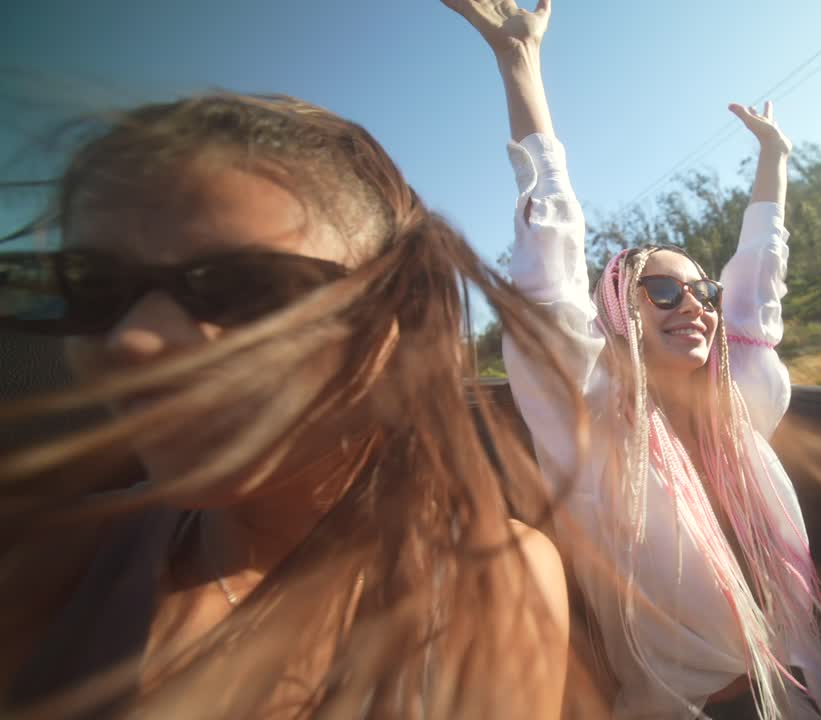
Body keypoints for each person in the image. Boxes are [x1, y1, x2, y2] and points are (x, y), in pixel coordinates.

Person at [0, 92, 586, 718]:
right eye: (91, 287)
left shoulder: (488, 585)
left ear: (397, 319)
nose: (133, 341)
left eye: (247, 287)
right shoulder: (48, 564)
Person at [444, 1, 821, 717]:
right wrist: (520, 64)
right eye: (661, 290)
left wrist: (774, 161)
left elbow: (758, 283)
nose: (693, 304)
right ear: (614, 318)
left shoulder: (743, 408)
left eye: (701, 291)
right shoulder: (593, 424)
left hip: (809, 696)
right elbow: (548, 270)